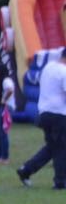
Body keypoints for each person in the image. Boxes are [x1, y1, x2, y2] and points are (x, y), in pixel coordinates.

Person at [15, 48, 66, 189]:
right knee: (62, 148)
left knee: (52, 148)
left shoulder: (48, 68)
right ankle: (60, 182)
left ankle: (26, 170)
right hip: (59, 114)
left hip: (44, 112)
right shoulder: (64, 72)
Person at [0, 63, 15, 163]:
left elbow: (10, 90)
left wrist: (4, 100)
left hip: (5, 108)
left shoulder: (6, 80)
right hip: (1, 107)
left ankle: (5, 157)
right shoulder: (1, 81)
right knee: (0, 133)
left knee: (3, 132)